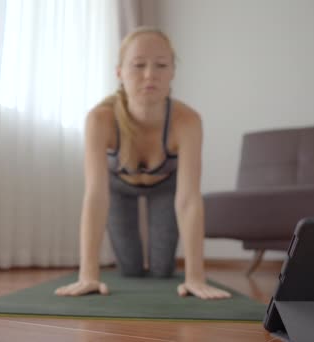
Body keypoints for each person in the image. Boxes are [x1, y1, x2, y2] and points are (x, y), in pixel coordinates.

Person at [55, 27, 231, 300]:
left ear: (172, 72)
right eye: (138, 65)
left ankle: (170, 270)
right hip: (118, 189)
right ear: (119, 72)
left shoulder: (188, 121)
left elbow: (189, 200)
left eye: (161, 65)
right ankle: (124, 267)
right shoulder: (100, 119)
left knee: (162, 270)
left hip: (165, 188)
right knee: (131, 269)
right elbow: (96, 197)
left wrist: (196, 277)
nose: (150, 74)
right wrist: (88, 274)